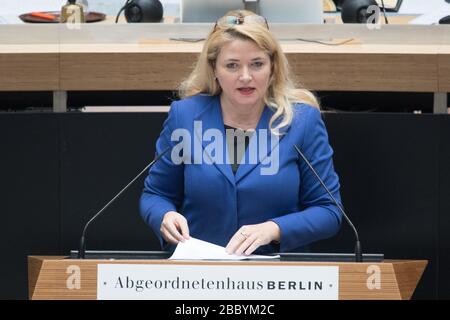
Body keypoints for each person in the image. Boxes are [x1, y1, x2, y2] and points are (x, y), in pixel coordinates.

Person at [140, 10, 342, 255]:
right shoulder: (184, 116)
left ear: (273, 67)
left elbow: (328, 210)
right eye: (232, 65)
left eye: (257, 64)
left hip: (278, 276)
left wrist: (273, 229)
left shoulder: (302, 121)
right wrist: (165, 215)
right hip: (197, 274)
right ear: (214, 68)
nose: (245, 77)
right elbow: (156, 194)